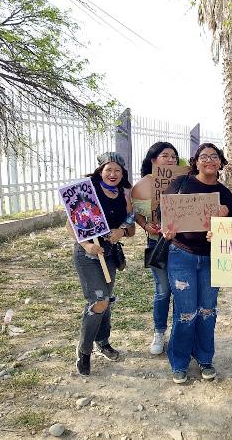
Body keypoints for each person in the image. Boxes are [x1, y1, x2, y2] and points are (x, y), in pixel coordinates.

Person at [162, 143, 232, 384]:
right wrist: (167, 229)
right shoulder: (181, 184)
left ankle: (205, 358)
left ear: (220, 162)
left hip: (212, 259)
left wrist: (225, 220)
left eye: (214, 156)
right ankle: (179, 362)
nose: (209, 160)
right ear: (196, 161)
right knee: (185, 312)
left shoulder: (224, 193)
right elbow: (164, 215)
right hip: (181, 255)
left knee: (207, 311)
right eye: (204, 156)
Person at [67, 152, 135, 376]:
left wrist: (121, 231)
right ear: (101, 171)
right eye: (108, 170)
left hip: (110, 255)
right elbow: (71, 225)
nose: (113, 174)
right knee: (99, 300)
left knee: (106, 300)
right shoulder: (88, 192)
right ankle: (84, 351)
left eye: (117, 170)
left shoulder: (124, 195)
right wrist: (87, 245)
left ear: (123, 173)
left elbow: (131, 228)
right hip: (88, 255)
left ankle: (103, 342)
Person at [131, 142, 179, 354]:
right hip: (156, 243)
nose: (170, 159)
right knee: (163, 290)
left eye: (173, 156)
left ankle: (179, 332)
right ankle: (159, 332)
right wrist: (145, 225)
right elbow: (136, 213)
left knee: (181, 290)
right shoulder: (142, 185)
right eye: (165, 155)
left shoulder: (183, 180)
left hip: (182, 244)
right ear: (153, 159)